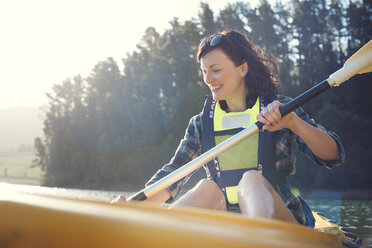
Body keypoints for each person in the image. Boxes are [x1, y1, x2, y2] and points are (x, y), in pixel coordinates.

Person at [113, 29, 344, 227]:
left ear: (243, 69)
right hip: (227, 225)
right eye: (204, 72)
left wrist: (294, 122)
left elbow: (334, 156)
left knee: (251, 180)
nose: (208, 79)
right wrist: (135, 207)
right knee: (207, 188)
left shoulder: (281, 110)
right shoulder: (201, 124)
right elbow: (173, 176)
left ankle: (254, 238)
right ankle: (154, 235)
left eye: (216, 69)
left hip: (282, 223)